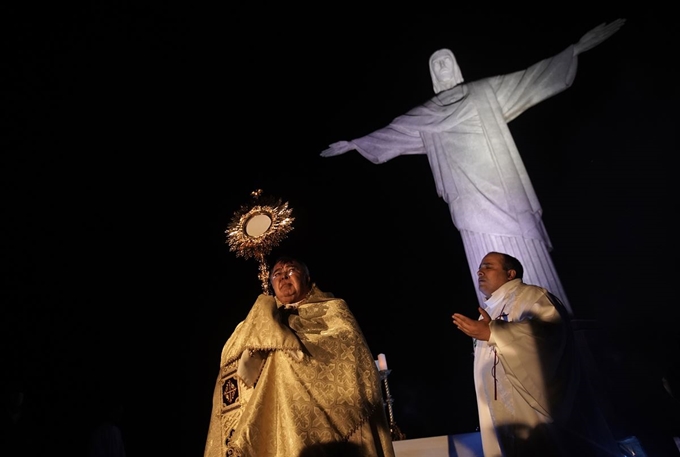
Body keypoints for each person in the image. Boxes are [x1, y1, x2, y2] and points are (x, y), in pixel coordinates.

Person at [321, 19, 626, 314]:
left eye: (446, 61)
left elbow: (531, 78)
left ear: (455, 66)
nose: (442, 67)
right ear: (431, 73)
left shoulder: (484, 92)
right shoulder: (426, 114)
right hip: (468, 201)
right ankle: (502, 326)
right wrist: (354, 144)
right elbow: (391, 133)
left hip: (505, 190)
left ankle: (552, 322)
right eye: (435, 64)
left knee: (526, 250)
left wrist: (574, 49)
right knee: (483, 256)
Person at [203, 255, 396, 457]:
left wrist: (285, 348)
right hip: (271, 418)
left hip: (322, 418)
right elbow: (230, 355)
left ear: (307, 278)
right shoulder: (258, 318)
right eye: (277, 274)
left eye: (291, 271)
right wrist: (262, 321)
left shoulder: (332, 309)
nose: (283, 277)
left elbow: (348, 353)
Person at [452, 252, 620, 456]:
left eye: (488, 266)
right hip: (500, 413)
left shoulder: (532, 295)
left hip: (532, 408)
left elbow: (546, 334)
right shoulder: (487, 311)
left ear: (510, 273)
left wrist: (493, 332)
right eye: (480, 267)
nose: (480, 271)